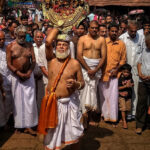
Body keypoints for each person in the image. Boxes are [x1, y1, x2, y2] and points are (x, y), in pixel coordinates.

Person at [38, 28, 84, 150]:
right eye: (59, 45)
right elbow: (48, 42)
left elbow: (82, 83)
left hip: (70, 103)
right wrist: (59, 26)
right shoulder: (51, 60)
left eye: (64, 45)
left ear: (69, 48)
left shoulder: (74, 63)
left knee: (74, 134)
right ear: (55, 47)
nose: (61, 47)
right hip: (54, 103)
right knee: (51, 135)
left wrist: (75, 84)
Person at [6, 25, 38, 134]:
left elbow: (33, 61)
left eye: (24, 36)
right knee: (17, 101)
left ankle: (30, 124)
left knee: (30, 101)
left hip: (29, 76)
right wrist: (18, 73)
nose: (22, 38)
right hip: (16, 77)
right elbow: (9, 64)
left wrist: (29, 72)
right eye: (20, 36)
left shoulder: (29, 46)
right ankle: (19, 125)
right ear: (15, 35)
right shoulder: (10, 46)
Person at [77, 20, 106, 127]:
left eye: (96, 28)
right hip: (85, 69)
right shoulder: (82, 39)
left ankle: (90, 118)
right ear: (88, 28)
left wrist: (95, 70)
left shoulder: (101, 40)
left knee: (93, 93)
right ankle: (83, 117)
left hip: (96, 70)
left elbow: (103, 57)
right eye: (92, 28)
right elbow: (79, 55)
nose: (94, 30)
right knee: (83, 92)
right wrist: (88, 69)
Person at [99, 23, 126, 127]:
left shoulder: (121, 44)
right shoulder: (103, 42)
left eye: (116, 31)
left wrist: (117, 69)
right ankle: (105, 116)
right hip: (103, 74)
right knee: (104, 97)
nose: (114, 33)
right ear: (108, 31)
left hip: (115, 75)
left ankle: (113, 118)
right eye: (112, 31)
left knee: (113, 98)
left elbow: (123, 59)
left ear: (118, 31)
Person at [120, 20, 145, 119]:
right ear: (127, 29)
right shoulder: (122, 38)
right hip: (125, 71)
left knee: (135, 92)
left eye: (135, 31)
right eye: (132, 31)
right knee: (125, 92)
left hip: (137, 70)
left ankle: (133, 113)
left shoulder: (141, 38)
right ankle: (125, 114)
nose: (134, 33)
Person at [136, 34, 150, 134]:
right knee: (141, 103)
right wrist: (140, 73)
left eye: (148, 44)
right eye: (146, 43)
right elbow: (139, 62)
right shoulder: (145, 49)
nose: (146, 45)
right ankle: (140, 125)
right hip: (143, 81)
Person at [118, 64, 134, 129]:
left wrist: (131, 84)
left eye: (127, 72)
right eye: (124, 72)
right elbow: (118, 88)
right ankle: (124, 121)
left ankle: (122, 119)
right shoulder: (120, 78)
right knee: (123, 108)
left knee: (128, 108)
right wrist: (125, 86)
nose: (126, 74)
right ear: (122, 71)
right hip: (121, 96)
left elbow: (133, 84)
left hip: (128, 96)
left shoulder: (130, 77)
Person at [33, 30, 45, 113]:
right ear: (34, 38)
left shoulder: (45, 47)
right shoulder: (30, 47)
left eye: (41, 37)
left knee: (41, 95)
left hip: (43, 74)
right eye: (37, 37)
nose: (39, 39)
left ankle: (40, 114)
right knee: (32, 95)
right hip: (32, 74)